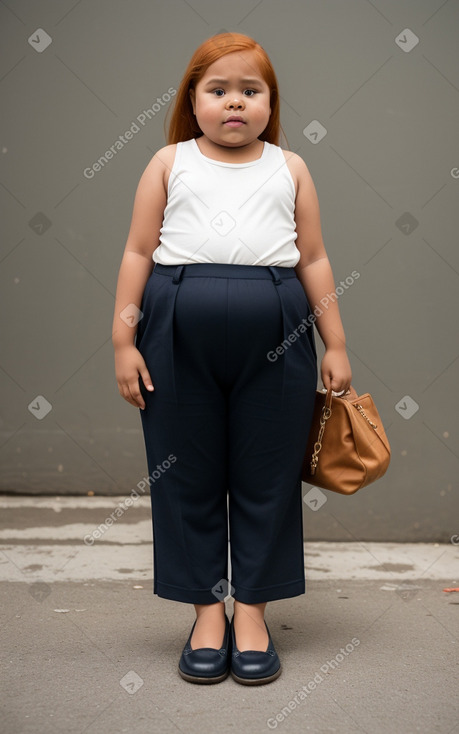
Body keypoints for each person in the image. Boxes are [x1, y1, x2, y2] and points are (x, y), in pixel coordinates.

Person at [112, 31, 352, 686]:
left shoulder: (290, 167)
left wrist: (334, 342)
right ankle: (205, 613)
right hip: (173, 331)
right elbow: (137, 253)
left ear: (271, 103)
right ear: (192, 101)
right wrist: (123, 340)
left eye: (250, 91)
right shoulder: (168, 163)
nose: (234, 103)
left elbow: (312, 258)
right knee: (183, 474)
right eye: (218, 90)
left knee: (267, 474)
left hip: (275, 334)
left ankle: (250, 610)